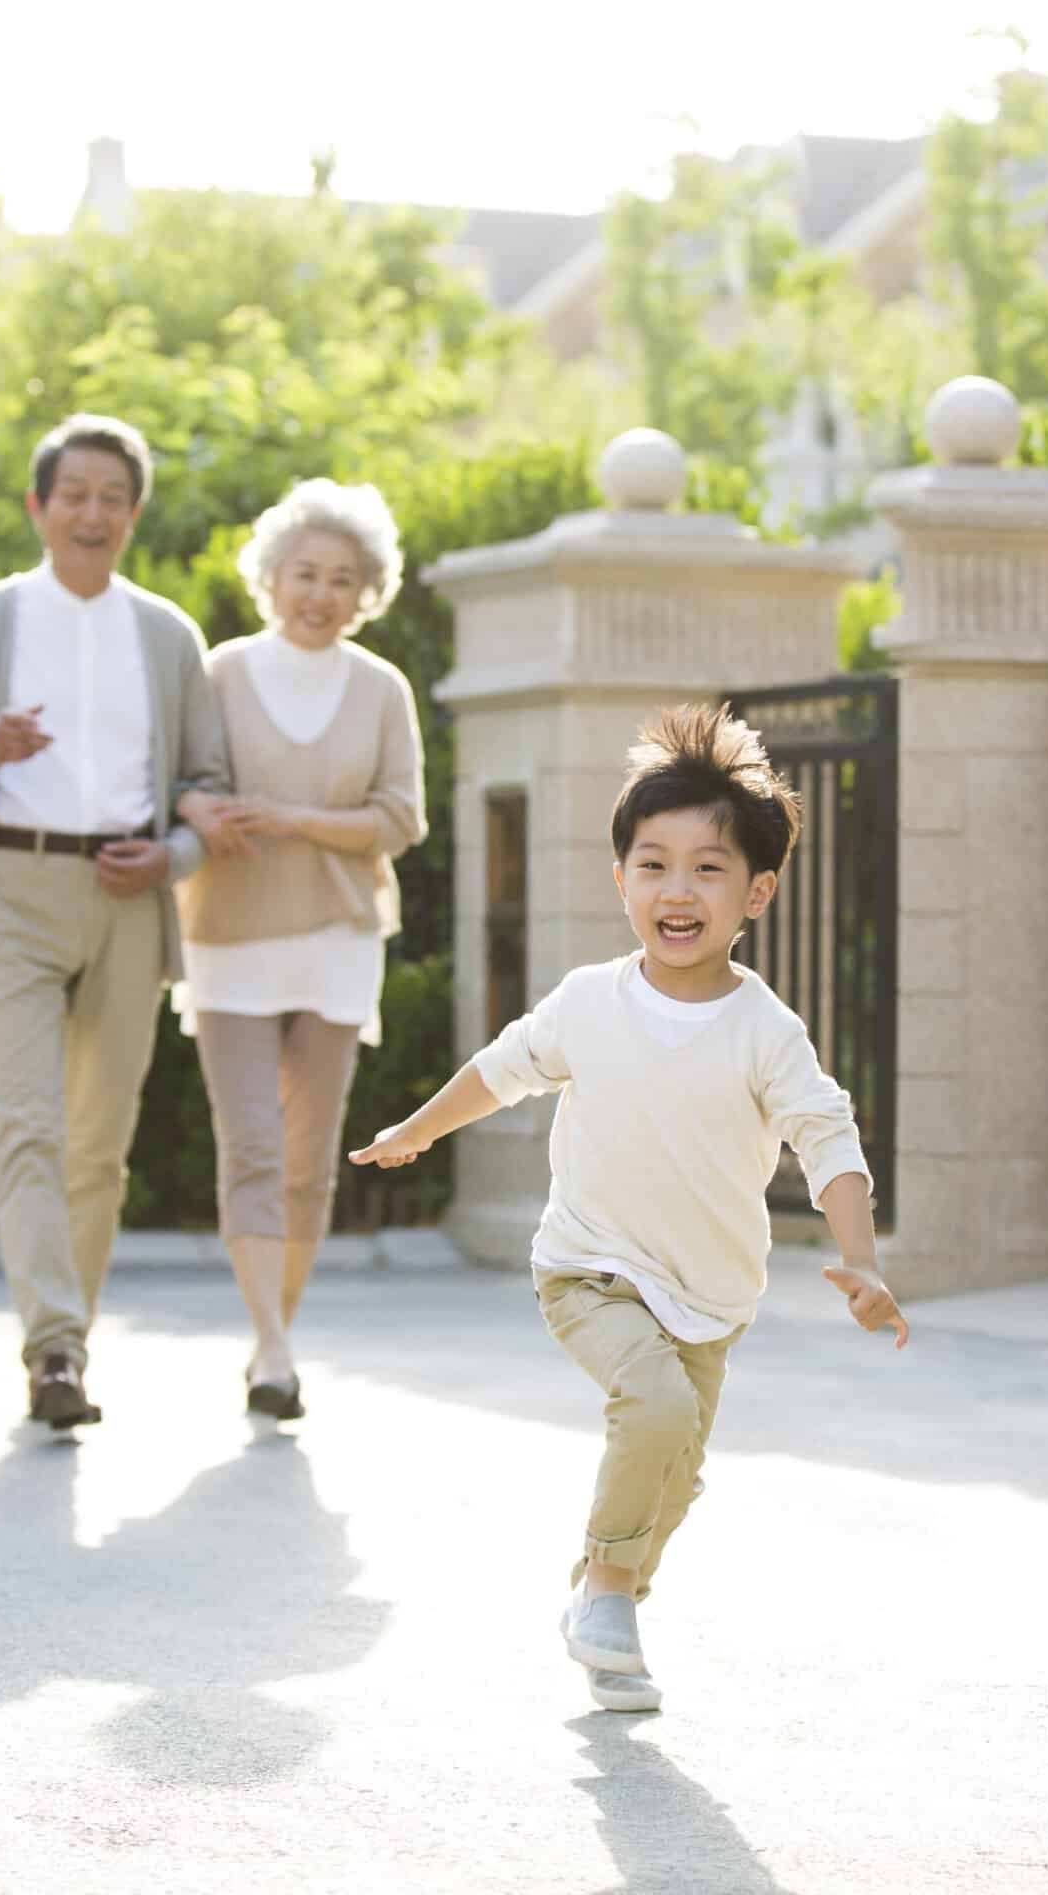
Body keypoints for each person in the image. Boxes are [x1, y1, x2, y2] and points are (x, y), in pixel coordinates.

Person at [349, 704, 907, 1714]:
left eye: (708, 868)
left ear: (758, 892)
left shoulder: (763, 1032)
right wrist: (420, 1128)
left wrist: (861, 1260)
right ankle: (609, 1590)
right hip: (588, 1267)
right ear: (621, 881)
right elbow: (503, 1068)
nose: (677, 890)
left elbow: (829, 1138)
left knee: (675, 1473)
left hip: (711, 1293)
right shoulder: (589, 1000)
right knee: (650, 1413)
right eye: (653, 865)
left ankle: (608, 1600)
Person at [0, 414, 230, 1431]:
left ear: (133, 513)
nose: (92, 513)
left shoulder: (168, 636)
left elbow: (210, 788)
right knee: (29, 1127)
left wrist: (169, 857)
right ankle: (54, 1348)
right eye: (73, 495)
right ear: (40, 507)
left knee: (99, 1144)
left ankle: (66, 1342)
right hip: (10, 889)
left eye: (112, 498)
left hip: (128, 898)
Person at [175, 478, 426, 1421]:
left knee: (309, 1158)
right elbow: (181, 783)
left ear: (367, 592)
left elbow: (401, 818)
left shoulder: (381, 688)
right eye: (305, 574)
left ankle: (271, 1336)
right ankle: (274, 1349)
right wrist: (206, 809)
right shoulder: (221, 673)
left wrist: (293, 819)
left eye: (342, 579)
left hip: (335, 942)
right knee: (248, 1144)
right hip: (229, 936)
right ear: (271, 578)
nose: (320, 594)